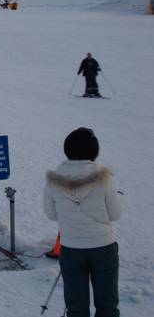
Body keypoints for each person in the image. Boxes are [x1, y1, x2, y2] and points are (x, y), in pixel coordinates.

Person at [43, 128, 121, 317]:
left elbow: (50, 214)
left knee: (76, 305)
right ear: (94, 151)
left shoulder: (54, 179)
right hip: (103, 246)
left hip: (71, 247)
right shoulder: (104, 178)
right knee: (107, 303)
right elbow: (115, 214)